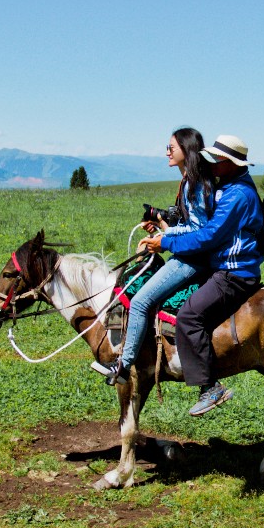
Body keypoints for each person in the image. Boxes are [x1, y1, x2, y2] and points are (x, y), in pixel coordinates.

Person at [98, 128, 215, 385]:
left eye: (171, 147)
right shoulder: (190, 180)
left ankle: (124, 365)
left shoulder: (195, 184)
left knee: (140, 302)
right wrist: (162, 230)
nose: (167, 151)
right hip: (188, 254)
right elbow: (190, 226)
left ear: (187, 149)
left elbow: (199, 230)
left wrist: (164, 240)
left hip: (192, 260)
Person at [161, 134, 264, 416]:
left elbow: (209, 236)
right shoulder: (230, 186)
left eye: (216, 160)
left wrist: (166, 242)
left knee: (189, 316)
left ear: (230, 162)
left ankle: (209, 388)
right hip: (227, 268)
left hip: (234, 273)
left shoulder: (237, 195)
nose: (211, 164)